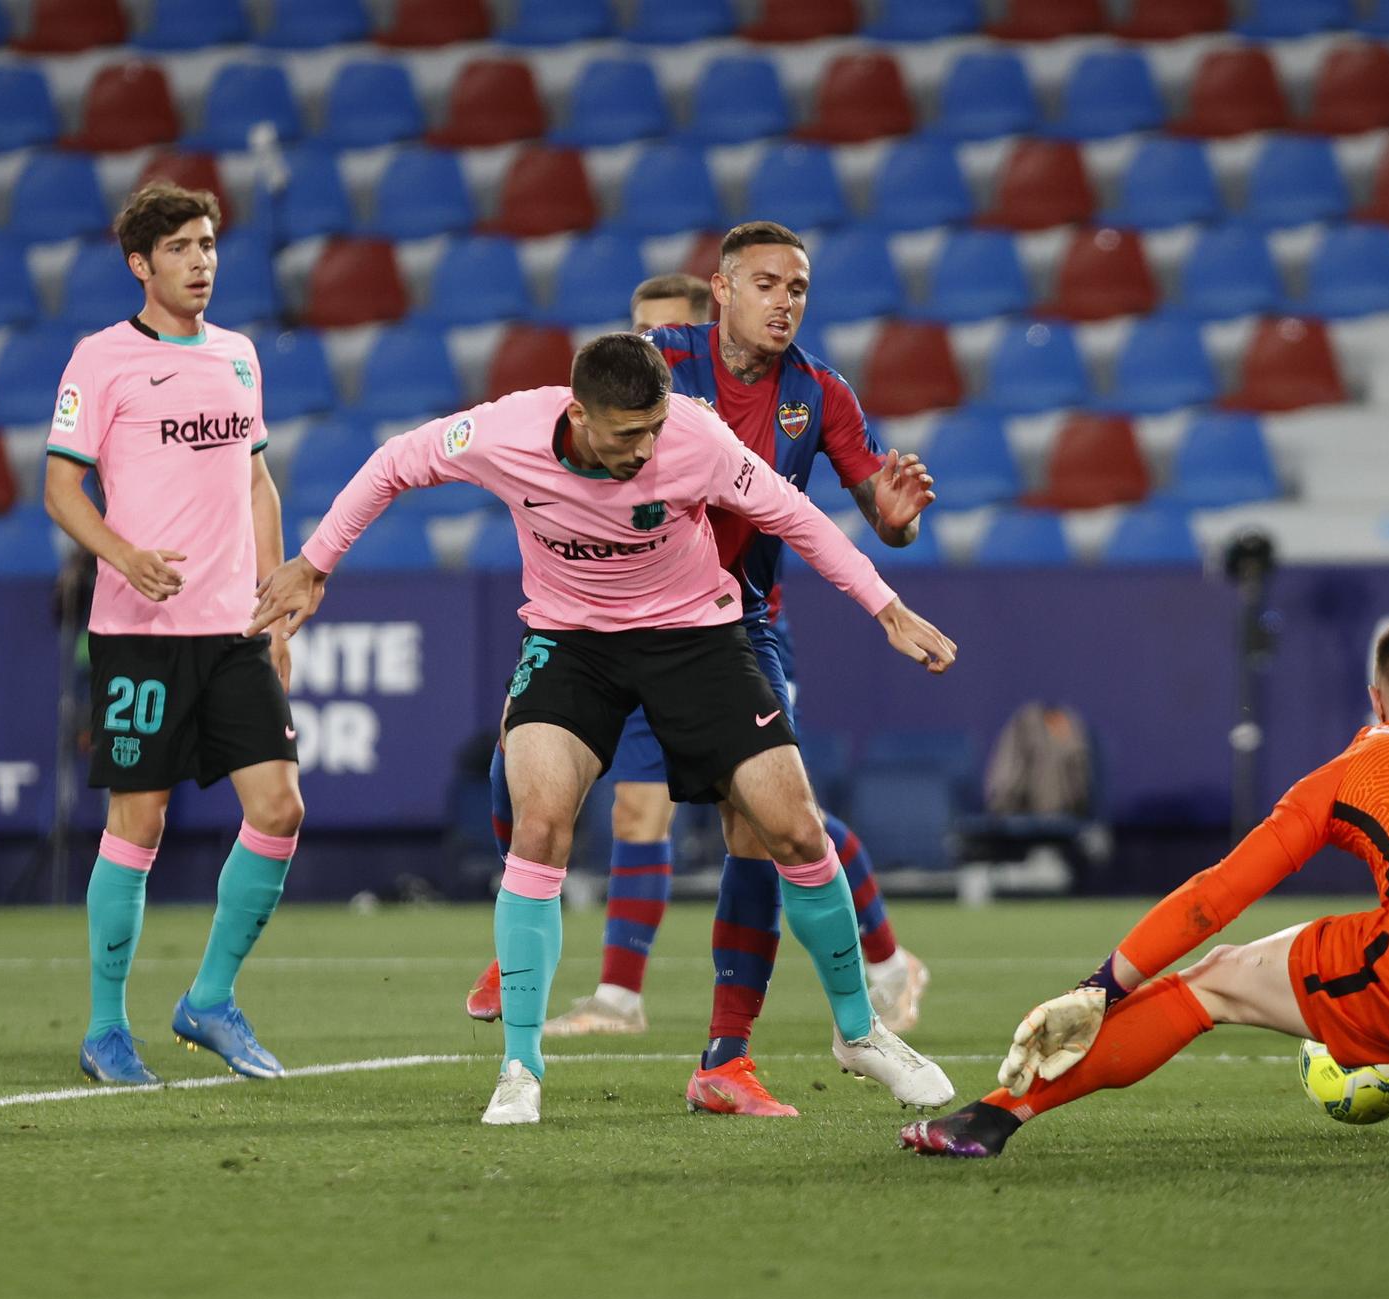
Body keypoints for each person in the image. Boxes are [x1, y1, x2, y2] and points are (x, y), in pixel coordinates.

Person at [250, 333, 957, 1125]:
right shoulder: (506, 433)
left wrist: (885, 607)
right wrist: (314, 563)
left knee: (793, 826)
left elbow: (794, 516)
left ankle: (860, 1032)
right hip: (570, 641)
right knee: (541, 823)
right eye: (627, 434)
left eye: (655, 428)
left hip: (693, 636)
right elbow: (391, 464)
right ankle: (520, 1065)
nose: (646, 448)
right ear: (579, 413)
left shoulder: (695, 437)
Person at [902, 619, 1389, 1162]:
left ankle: (991, 1120)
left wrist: (1101, 986)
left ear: (1377, 699)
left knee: (1216, 981)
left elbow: (1220, 892)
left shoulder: (1355, 765)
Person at [468, 243, 933, 1110]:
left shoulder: (821, 393)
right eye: (767, 284)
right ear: (718, 297)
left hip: (738, 626)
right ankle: (540, 951)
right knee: (528, 779)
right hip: (610, 618)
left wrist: (896, 532)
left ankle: (728, 1051)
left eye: (798, 287)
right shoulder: (661, 367)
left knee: (774, 819)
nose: (785, 301)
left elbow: (857, 511)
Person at [42, 181, 304, 1085]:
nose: (202, 262)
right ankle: (106, 1029)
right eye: (183, 248)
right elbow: (61, 488)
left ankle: (209, 999)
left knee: (279, 809)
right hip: (141, 628)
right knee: (140, 821)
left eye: (208, 245)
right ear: (140, 265)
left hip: (233, 626)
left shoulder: (237, 357)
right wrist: (122, 552)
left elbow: (258, 482)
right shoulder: (101, 359)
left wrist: (275, 601)